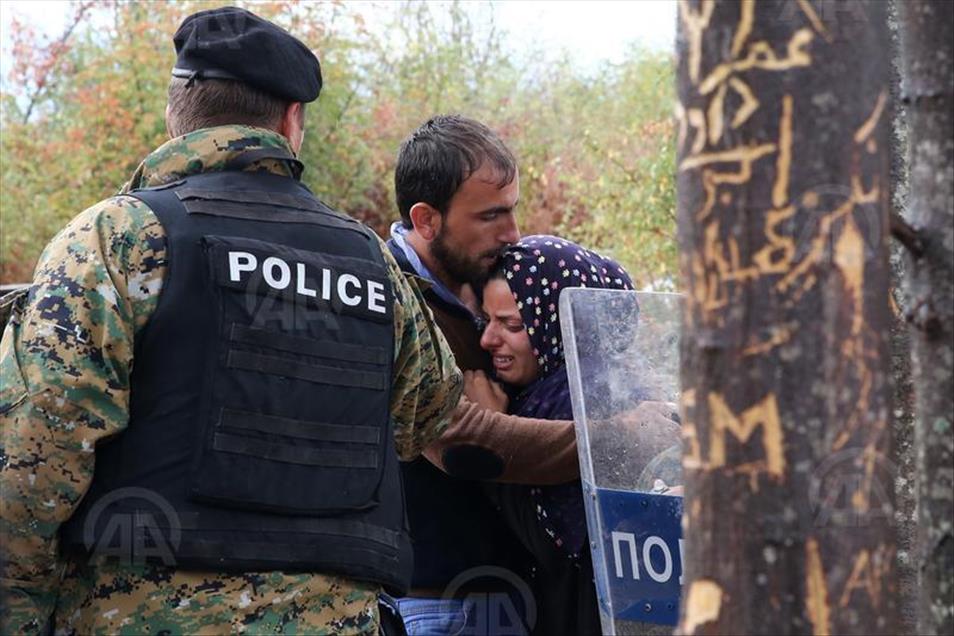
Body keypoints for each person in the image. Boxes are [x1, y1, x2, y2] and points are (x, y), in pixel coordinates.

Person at [0, 7, 461, 635]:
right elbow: (428, 414)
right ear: (292, 121)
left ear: (176, 114)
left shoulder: (117, 239)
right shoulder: (370, 261)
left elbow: (34, 457)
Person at [389, 116, 582, 634]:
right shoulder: (390, 298)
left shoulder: (492, 282)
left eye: (513, 209)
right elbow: (456, 438)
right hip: (437, 601)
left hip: (520, 595)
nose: (512, 233)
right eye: (491, 216)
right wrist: (613, 443)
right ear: (427, 220)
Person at [477, 234, 646, 635]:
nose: (487, 339)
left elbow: (549, 545)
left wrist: (493, 433)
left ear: (559, 325)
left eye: (512, 324)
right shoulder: (546, 394)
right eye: (486, 320)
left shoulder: (593, 399)